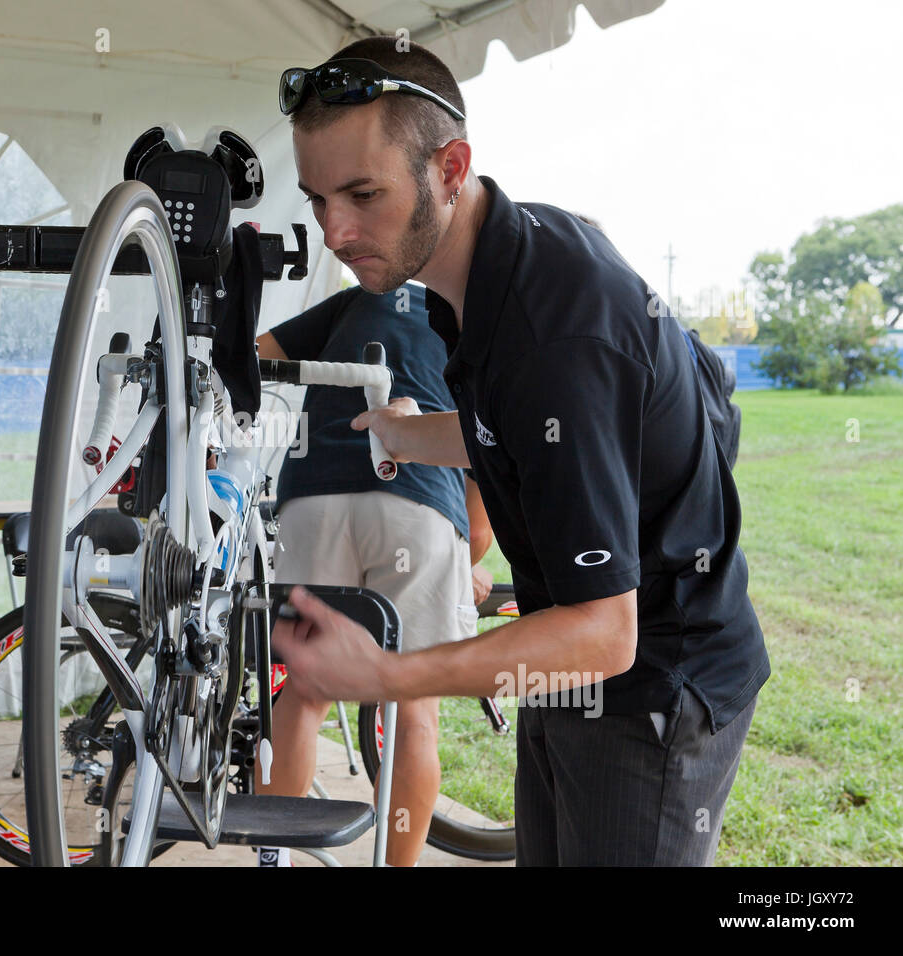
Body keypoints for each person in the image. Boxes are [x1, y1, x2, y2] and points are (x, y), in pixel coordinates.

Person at [270, 37, 769, 865]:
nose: (336, 231)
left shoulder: (554, 323)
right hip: (561, 663)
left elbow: (608, 632)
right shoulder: (475, 275)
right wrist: (405, 433)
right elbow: (534, 434)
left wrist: (393, 675)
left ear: (450, 166)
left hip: (654, 681)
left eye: (363, 193)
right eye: (318, 200)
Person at [253, 281, 495, 867]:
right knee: (413, 709)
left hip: (314, 499)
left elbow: (253, 353)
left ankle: (273, 859)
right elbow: (487, 457)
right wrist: (466, 561)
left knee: (305, 694)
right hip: (419, 500)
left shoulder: (353, 301)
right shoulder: (472, 320)